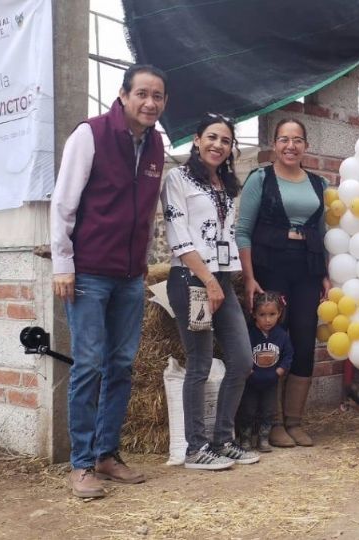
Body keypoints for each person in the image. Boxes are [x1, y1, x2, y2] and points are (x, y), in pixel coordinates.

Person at [51, 64, 167, 498]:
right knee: (89, 366)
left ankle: (106, 454)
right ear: (123, 95)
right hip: (88, 274)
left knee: (121, 366)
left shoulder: (155, 145)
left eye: (157, 96)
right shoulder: (91, 134)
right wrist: (63, 263)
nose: (150, 102)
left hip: (130, 277)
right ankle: (81, 464)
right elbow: (63, 202)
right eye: (142, 93)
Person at [162, 114, 260, 469]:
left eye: (225, 140)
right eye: (212, 137)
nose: (218, 145)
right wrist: (208, 280)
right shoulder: (177, 178)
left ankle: (223, 439)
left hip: (220, 280)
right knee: (200, 363)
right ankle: (195, 449)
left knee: (242, 361)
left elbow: (228, 236)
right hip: (192, 280)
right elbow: (179, 235)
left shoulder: (225, 185)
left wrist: (227, 279)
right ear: (197, 140)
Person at [237, 118, 330, 448]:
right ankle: (271, 422)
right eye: (284, 139)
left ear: (305, 145)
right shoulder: (260, 179)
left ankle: (295, 420)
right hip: (270, 266)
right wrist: (249, 278)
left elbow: (322, 233)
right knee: (273, 339)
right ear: (274, 145)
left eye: (297, 140)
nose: (291, 146)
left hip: (306, 268)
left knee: (304, 338)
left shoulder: (318, 184)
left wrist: (324, 275)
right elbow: (243, 231)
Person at [238, 291, 294, 452]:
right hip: (251, 380)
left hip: (271, 381)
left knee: (268, 411)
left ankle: (263, 438)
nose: (267, 319)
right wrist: (246, 370)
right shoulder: (249, 334)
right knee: (248, 410)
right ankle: (246, 438)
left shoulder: (281, 336)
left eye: (272, 314)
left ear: (279, 314)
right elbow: (241, 351)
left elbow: (288, 355)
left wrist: (280, 371)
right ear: (254, 314)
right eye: (262, 315)